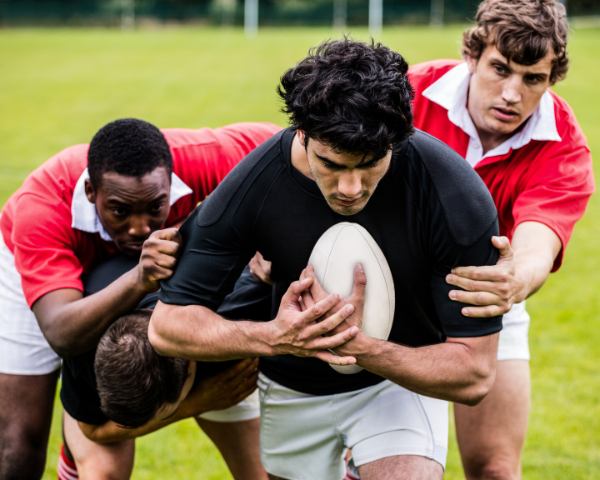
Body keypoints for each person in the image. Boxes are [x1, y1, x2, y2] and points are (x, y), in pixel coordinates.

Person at [149, 38, 503, 480]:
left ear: (399, 138)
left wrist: (363, 349)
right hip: (293, 387)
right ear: (302, 133)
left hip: (399, 380)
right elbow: (168, 326)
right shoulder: (254, 186)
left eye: (370, 163)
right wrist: (277, 337)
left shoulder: (455, 196)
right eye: (332, 164)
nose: (351, 187)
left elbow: (475, 372)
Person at [0, 117, 280, 479]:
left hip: (151, 287)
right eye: (120, 211)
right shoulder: (41, 207)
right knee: (21, 441)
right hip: (39, 279)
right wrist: (140, 278)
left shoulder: (206, 157)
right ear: (91, 192)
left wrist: (271, 239)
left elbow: (295, 147)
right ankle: (76, 450)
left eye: (156, 207)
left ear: (171, 182)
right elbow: (62, 333)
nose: (141, 228)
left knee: (260, 461)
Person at [406, 1, 594, 478]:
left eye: (533, 78)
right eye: (500, 69)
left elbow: (538, 241)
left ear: (551, 79)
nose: (512, 93)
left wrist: (514, 281)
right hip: (389, 292)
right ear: (472, 55)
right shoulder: (406, 94)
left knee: (495, 468)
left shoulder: (563, 145)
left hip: (487, 296)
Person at [58, 255, 272, 479]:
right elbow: (92, 429)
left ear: (190, 362)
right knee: (101, 473)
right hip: (105, 289)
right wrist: (193, 404)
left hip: (223, 360)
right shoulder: (83, 338)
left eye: (164, 413)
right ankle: (71, 461)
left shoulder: (245, 304)